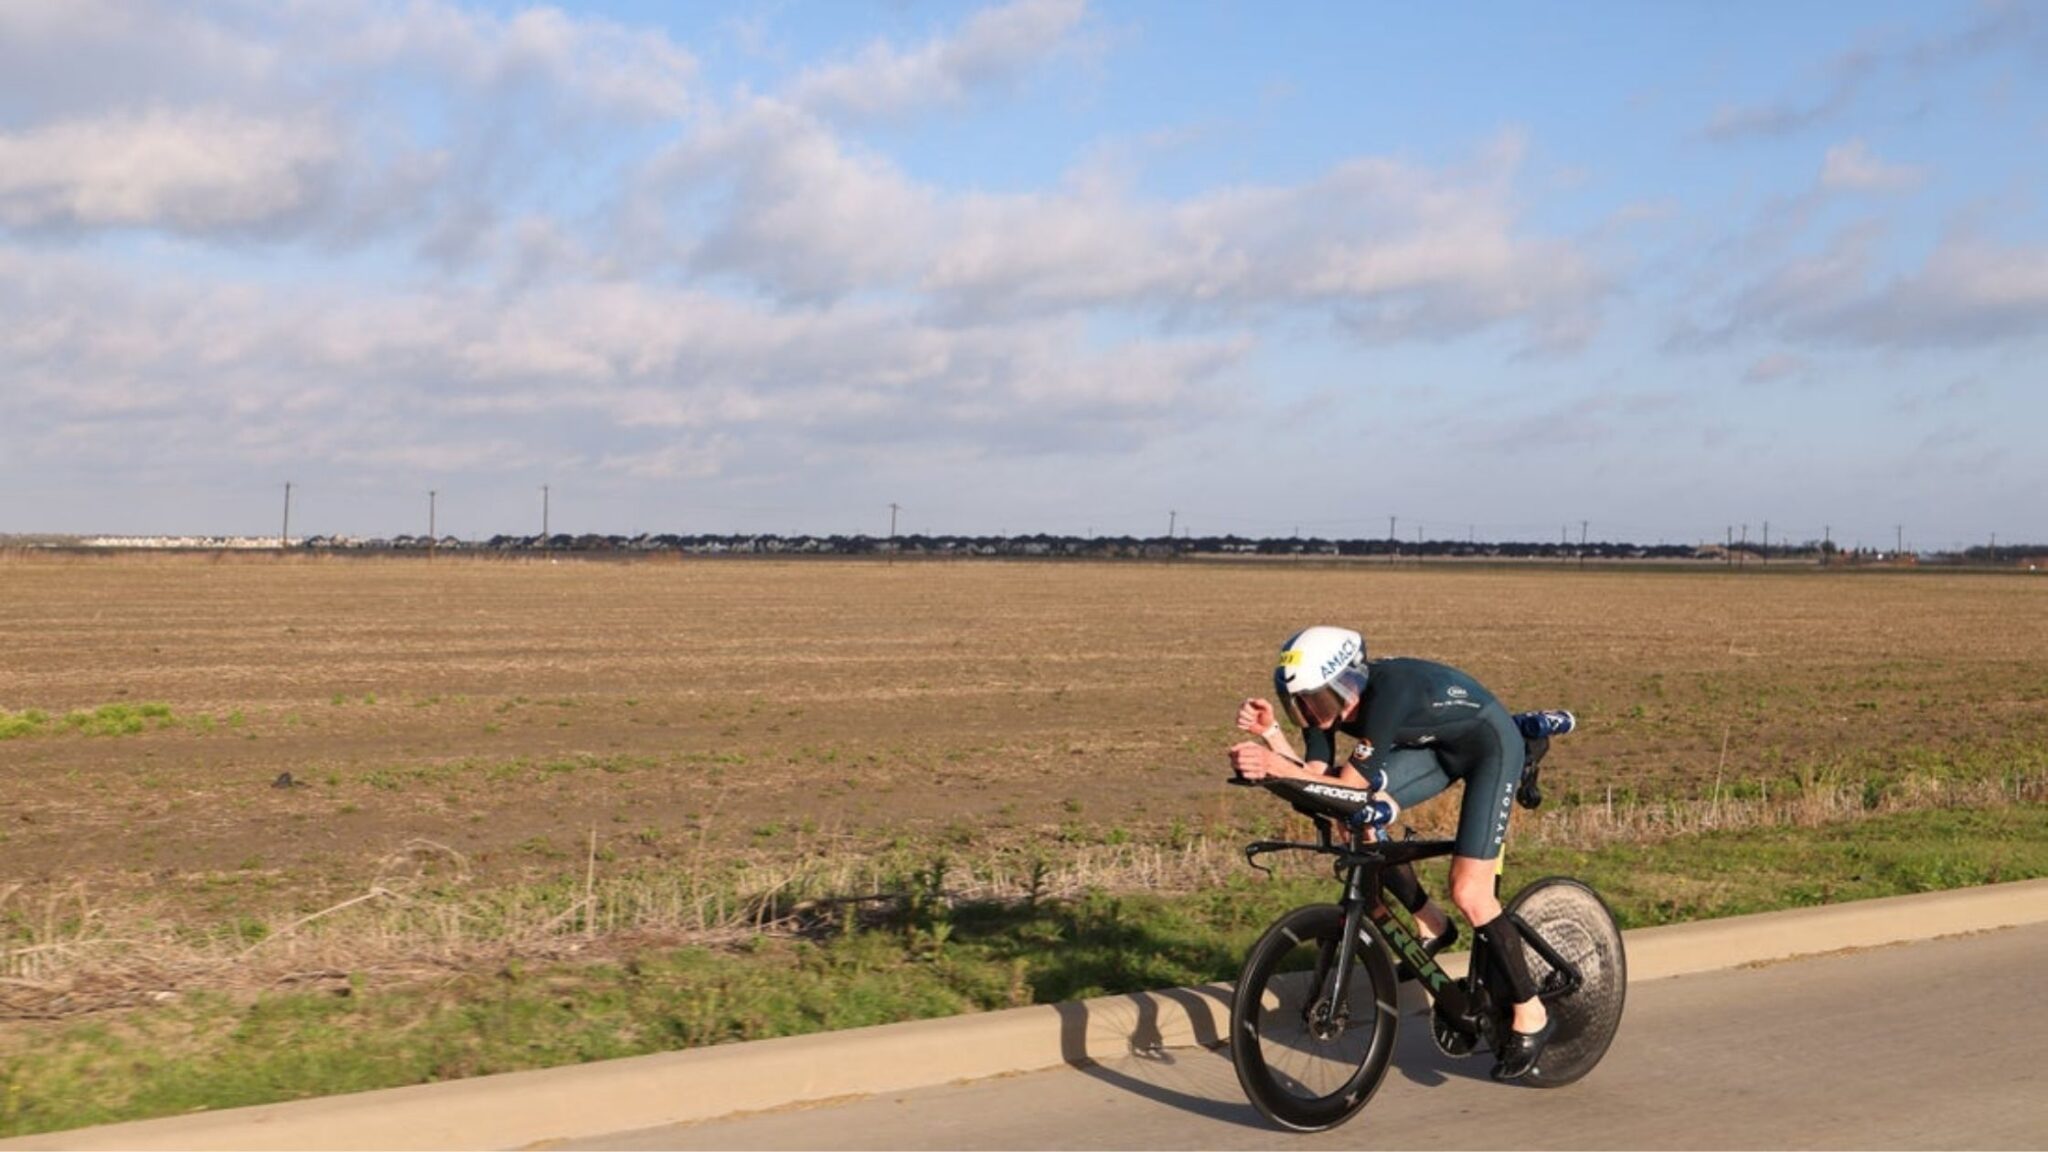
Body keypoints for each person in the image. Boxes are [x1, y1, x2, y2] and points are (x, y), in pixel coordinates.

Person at [1226, 624, 1566, 1081]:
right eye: (1299, 705)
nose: (1310, 713)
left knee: (1471, 891)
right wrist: (1272, 739)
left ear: (1348, 684)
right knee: (1356, 816)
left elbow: (1349, 785)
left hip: (1489, 746)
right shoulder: (1324, 713)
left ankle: (1532, 1014)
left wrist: (1272, 766)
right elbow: (1316, 783)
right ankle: (1431, 922)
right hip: (1437, 751)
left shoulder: (1387, 693)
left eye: (1317, 701)